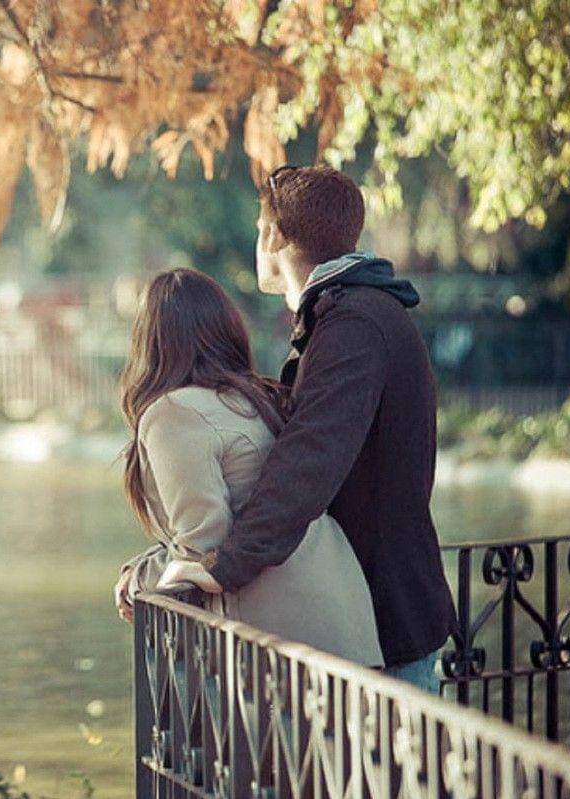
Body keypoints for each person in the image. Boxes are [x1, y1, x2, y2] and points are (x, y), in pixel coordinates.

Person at [118, 165, 457, 692]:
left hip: (385, 610)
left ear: (274, 235)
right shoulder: (346, 316)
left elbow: (308, 461)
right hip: (369, 605)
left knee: (390, 751)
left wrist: (224, 567)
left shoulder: (354, 324)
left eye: (260, 229)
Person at [113, 267, 382, 666]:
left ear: (148, 343)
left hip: (280, 639)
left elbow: (204, 543)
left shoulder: (172, 412)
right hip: (344, 618)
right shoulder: (256, 399)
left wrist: (137, 580)